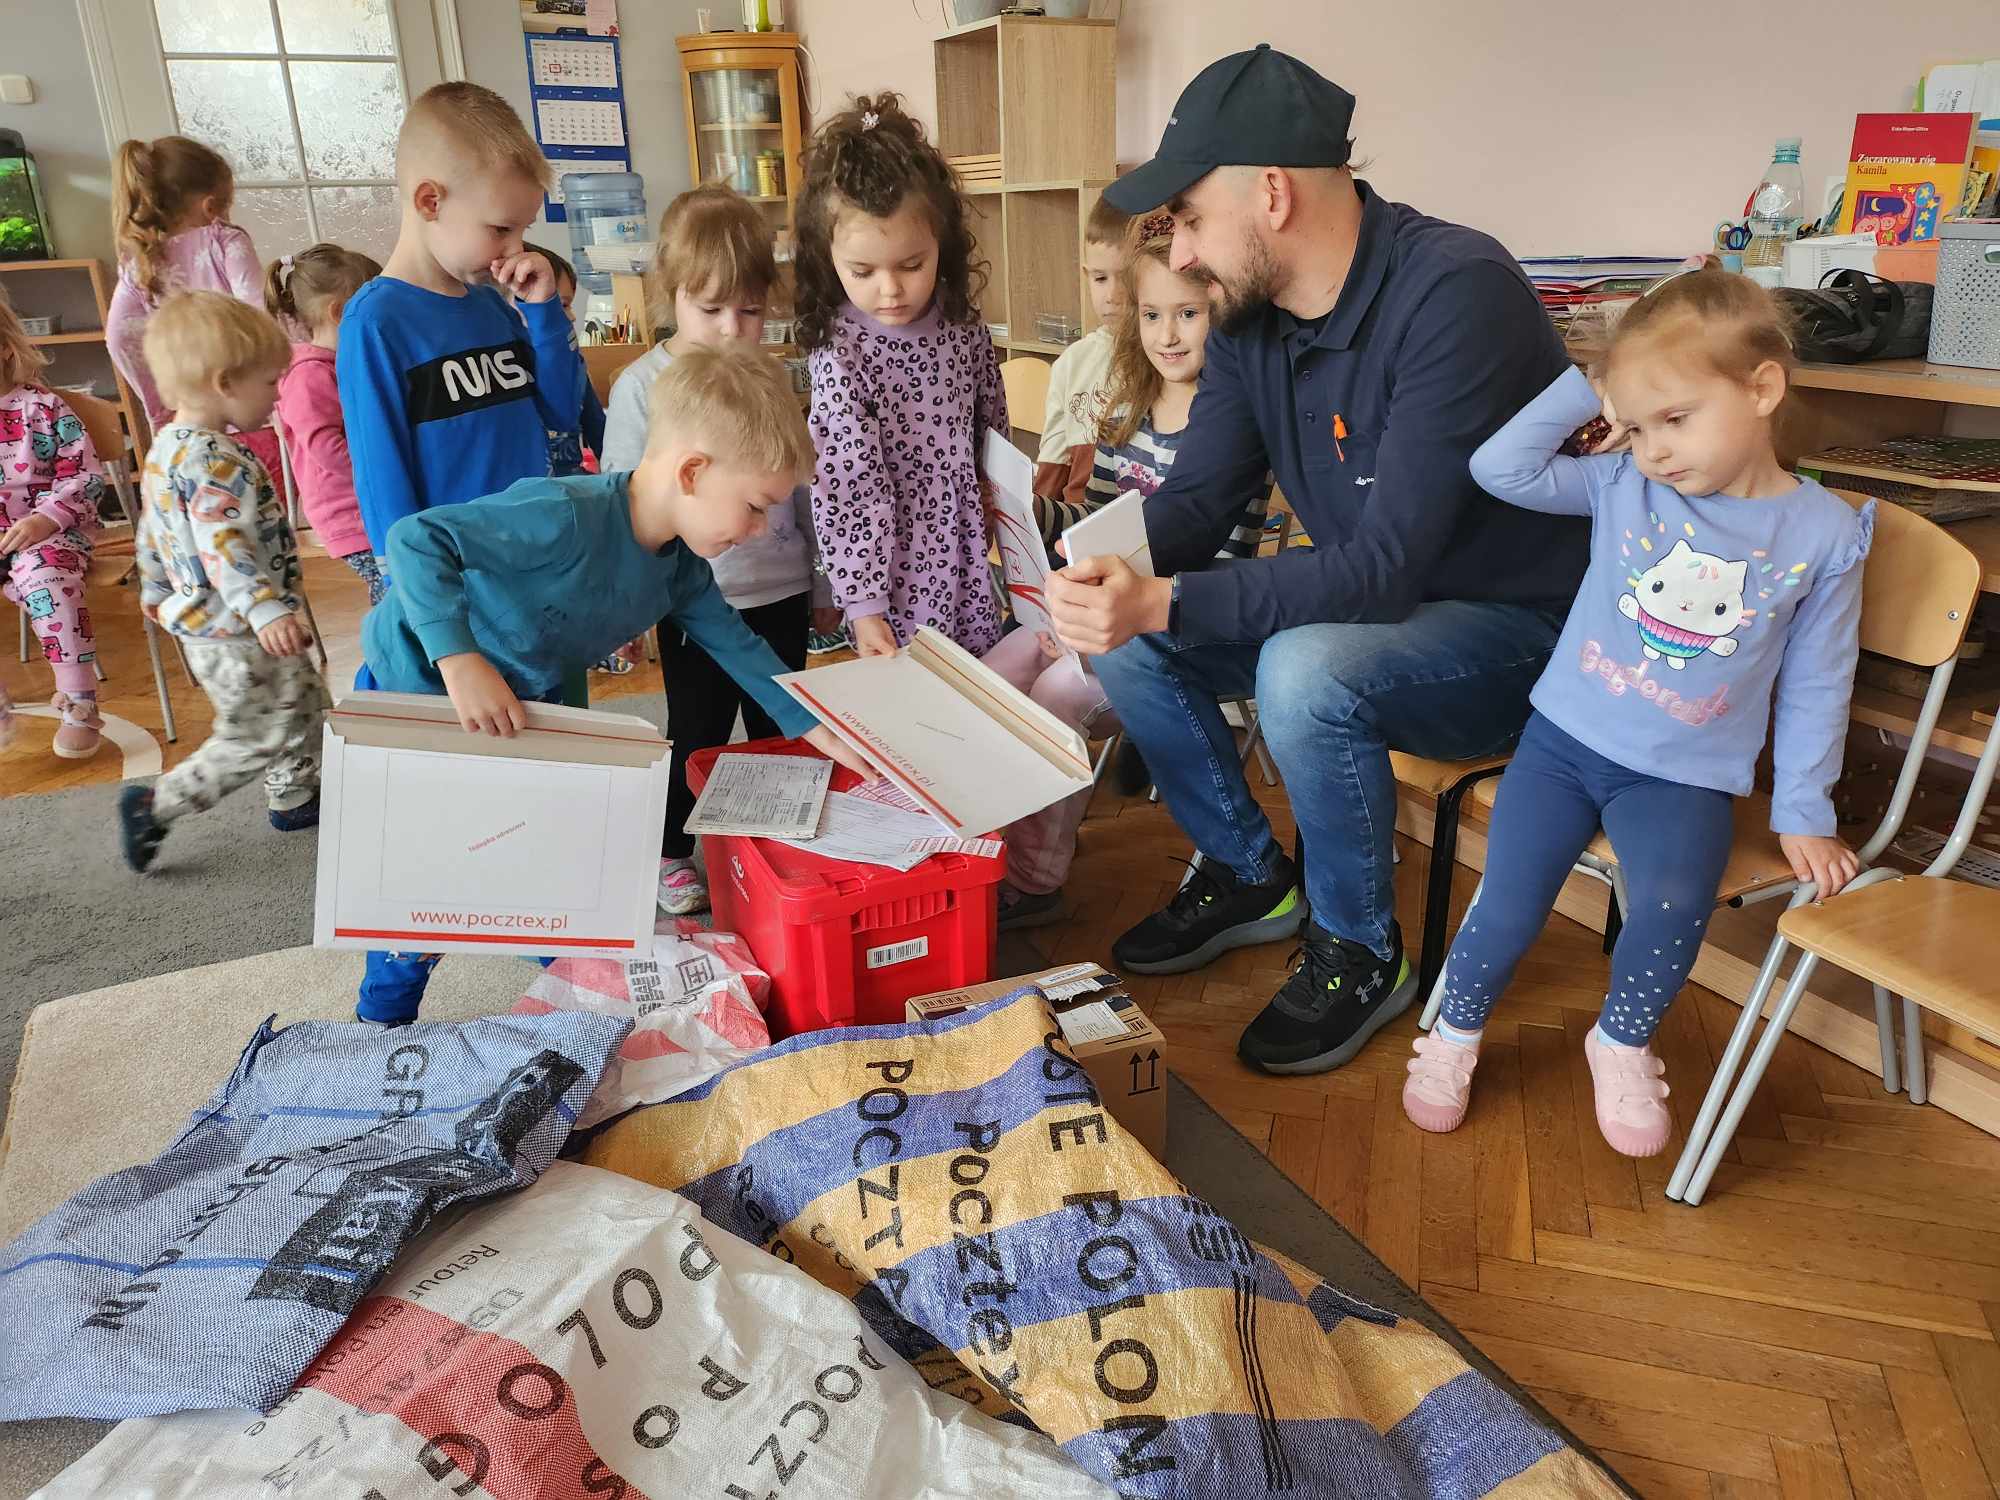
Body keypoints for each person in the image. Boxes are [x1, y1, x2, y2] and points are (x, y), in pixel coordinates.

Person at [1046, 46, 1589, 1075]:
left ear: (1271, 193)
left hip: (1519, 637)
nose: (1180, 249)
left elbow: (1384, 567)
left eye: (1188, 217)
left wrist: (1160, 598)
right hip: (1376, 616)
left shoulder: (1457, 292)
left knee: (1300, 670)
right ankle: (1250, 874)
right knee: (1127, 640)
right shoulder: (1249, 316)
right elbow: (1197, 502)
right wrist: (1094, 566)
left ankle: (1360, 951)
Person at [1404, 267, 1871, 1156]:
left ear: (1762, 388)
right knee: (1508, 903)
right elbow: (1499, 468)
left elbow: (1820, 680)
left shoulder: (1824, 535)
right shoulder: (1624, 483)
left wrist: (1804, 809)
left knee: (1672, 903)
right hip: (1561, 746)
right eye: (1639, 423)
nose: (1654, 449)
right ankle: (1454, 1033)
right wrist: (1598, 386)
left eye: (1676, 418)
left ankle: (1620, 1041)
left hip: (1684, 775)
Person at [353, 347, 874, 1025]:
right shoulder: (564, 513)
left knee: (550, 855)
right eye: (754, 508)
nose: (757, 531)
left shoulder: (681, 569)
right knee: (430, 874)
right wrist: (459, 660)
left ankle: (575, 975)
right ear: (692, 472)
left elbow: (741, 650)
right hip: (419, 690)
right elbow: (416, 539)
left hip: (529, 702)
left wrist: (817, 725)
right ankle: (382, 1019)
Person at [988, 214, 1269, 929]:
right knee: (997, 672)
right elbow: (1096, 527)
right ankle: (984, 852)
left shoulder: (1232, 422)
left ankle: (1035, 878)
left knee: (1055, 697)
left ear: (1223, 315)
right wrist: (1028, 513)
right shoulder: (1127, 410)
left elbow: (1205, 562)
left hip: (1185, 628)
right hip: (1103, 615)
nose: (1167, 334)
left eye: (1188, 314)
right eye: (1151, 314)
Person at [602, 184, 835, 916]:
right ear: (672, 293)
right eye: (711, 309)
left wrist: (823, 580)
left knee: (778, 725)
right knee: (697, 731)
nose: (733, 329)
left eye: (751, 310)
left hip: (780, 587)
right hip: (689, 602)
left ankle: (773, 846)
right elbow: (625, 500)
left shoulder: (771, 377)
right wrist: (629, 604)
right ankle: (671, 851)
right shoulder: (641, 387)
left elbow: (800, 486)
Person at [336, 82, 587, 582]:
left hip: (538, 563)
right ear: (430, 201)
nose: (516, 250)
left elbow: (562, 414)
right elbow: (382, 476)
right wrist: (415, 591)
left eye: (523, 230)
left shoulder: (494, 307)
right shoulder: (375, 323)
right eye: (501, 229)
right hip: (462, 582)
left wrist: (544, 313)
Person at [796, 93, 1007, 660]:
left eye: (911, 265)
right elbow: (846, 484)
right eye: (862, 271)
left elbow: (993, 430)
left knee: (975, 685)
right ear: (828, 257)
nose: (890, 290)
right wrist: (862, 605)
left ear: (942, 245)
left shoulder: (963, 327)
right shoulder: (841, 353)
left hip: (967, 553)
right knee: (911, 691)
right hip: (890, 571)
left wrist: (1002, 519)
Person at [119, 293, 325, 872]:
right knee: (253, 734)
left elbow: (152, 529)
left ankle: (296, 794)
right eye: (270, 382)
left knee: (301, 701)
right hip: (238, 630)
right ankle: (156, 805)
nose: (278, 394)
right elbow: (223, 546)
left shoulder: (165, 447)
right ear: (224, 383)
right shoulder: (216, 461)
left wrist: (155, 589)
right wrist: (264, 609)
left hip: (210, 624)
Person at [0, 296, 108, 759]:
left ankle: (79, 703)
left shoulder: (43, 408)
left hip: (51, 533)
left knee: (47, 579)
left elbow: (85, 476)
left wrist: (47, 518)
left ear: (5, 348)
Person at [104, 136, 262, 432]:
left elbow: (118, 337)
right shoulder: (225, 241)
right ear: (211, 206)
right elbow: (259, 312)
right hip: (248, 415)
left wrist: (161, 407)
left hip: (189, 423)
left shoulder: (139, 262)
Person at [267, 243, 384, 603]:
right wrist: (383, 470)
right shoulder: (309, 375)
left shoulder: (338, 365)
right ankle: (390, 641)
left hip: (365, 507)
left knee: (395, 589)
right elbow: (325, 447)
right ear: (339, 312)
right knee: (392, 592)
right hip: (349, 515)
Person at [1034, 195, 1130, 505]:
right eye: (1100, 278)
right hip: (1075, 523)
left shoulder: (1169, 359)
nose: (1112, 295)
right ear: (1086, 275)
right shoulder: (1071, 363)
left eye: (1127, 278)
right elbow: (1052, 466)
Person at [524, 243, 607, 480]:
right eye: (562, 305)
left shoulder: (573, 363)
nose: (572, 316)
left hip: (574, 486)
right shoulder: (508, 370)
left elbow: (600, 433)